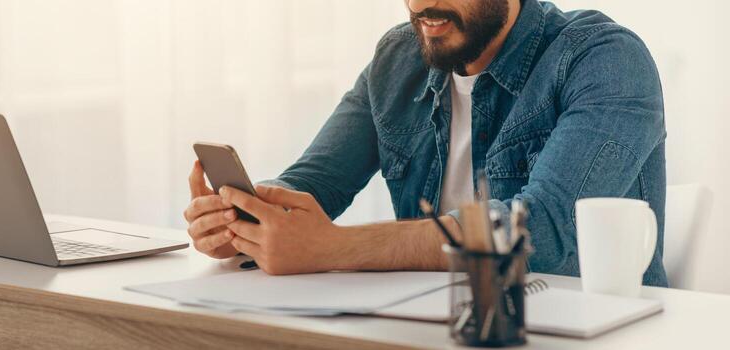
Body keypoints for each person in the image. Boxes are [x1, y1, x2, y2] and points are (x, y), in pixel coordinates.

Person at [183, 0, 668, 286]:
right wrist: (245, 220)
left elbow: (543, 229)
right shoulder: (400, 56)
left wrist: (334, 248)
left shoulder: (604, 59)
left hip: (574, 331)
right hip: (426, 325)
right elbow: (314, 183)